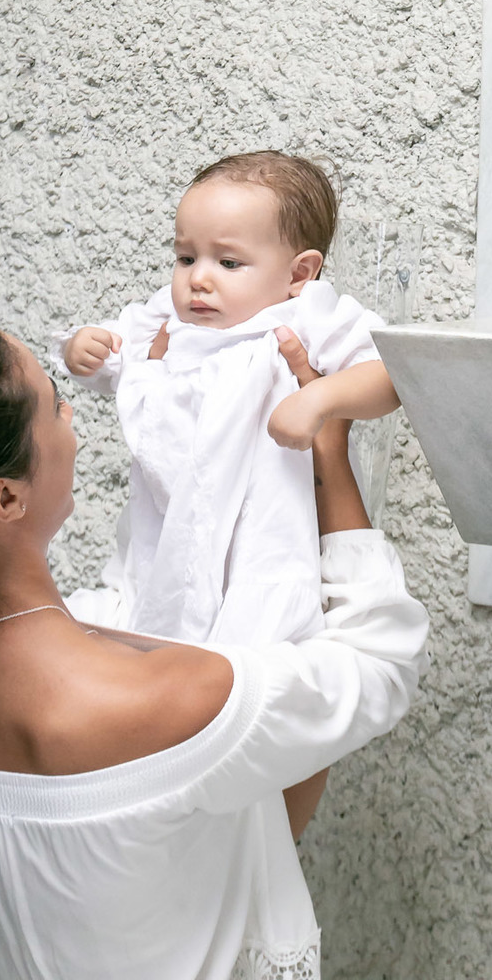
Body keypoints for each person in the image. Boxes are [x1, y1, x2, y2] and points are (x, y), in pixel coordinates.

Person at [0, 312, 427, 979]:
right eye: (55, 406)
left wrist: (176, 459)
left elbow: (123, 610)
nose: (75, 426)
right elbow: (381, 662)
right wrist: (330, 461)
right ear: (4, 498)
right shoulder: (159, 697)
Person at [53, 151, 400, 650]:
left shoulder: (304, 315)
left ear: (299, 273)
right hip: (168, 540)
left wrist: (321, 398)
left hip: (259, 544)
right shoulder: (171, 318)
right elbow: (115, 355)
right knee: (150, 626)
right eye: (186, 257)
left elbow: (390, 374)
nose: (198, 278)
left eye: (228, 262)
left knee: (248, 648)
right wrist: (82, 347)